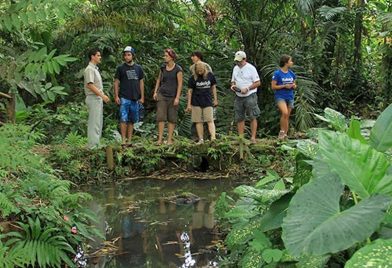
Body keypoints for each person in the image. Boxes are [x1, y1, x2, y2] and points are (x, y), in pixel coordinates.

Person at [114, 46, 145, 145]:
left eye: (129, 55)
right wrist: (116, 96)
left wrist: (142, 97)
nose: (127, 57)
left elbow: (141, 82)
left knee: (132, 120)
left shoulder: (138, 68)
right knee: (123, 119)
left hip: (135, 98)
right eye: (125, 55)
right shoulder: (120, 68)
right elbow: (116, 82)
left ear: (133, 55)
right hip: (124, 97)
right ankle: (123, 140)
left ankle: (130, 140)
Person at [153, 48, 183, 145]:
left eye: (166, 56)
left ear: (171, 57)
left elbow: (180, 84)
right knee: (160, 116)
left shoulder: (178, 69)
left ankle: (169, 139)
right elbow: (158, 80)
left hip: (173, 96)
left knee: (172, 117)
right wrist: (155, 92)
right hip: (162, 94)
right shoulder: (162, 68)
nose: (164, 57)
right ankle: (160, 139)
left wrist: (177, 97)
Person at [230, 51, 261, 144]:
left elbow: (258, 82)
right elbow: (233, 81)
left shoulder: (251, 68)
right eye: (237, 61)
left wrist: (247, 88)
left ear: (244, 59)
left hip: (250, 95)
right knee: (239, 117)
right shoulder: (235, 68)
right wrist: (233, 86)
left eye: (240, 61)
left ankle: (253, 137)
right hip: (238, 96)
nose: (238, 63)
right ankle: (241, 137)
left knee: (252, 116)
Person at [84, 48, 110, 148]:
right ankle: (92, 145)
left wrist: (102, 95)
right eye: (98, 55)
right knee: (94, 122)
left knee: (98, 121)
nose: (100, 57)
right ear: (92, 56)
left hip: (97, 98)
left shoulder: (95, 69)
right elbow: (90, 85)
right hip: (93, 97)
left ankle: (96, 143)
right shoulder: (89, 69)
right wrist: (102, 96)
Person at [186, 62, 218, 144]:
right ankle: (201, 139)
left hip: (207, 101)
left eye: (201, 71)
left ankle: (213, 138)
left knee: (210, 120)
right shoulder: (193, 78)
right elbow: (190, 91)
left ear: (204, 69)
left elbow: (213, 87)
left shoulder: (210, 75)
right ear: (195, 70)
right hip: (196, 102)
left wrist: (215, 99)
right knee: (198, 121)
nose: (199, 72)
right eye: (198, 71)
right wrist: (189, 104)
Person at [271, 55, 297, 140]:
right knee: (284, 113)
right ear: (286, 63)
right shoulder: (277, 73)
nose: (292, 62)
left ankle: (285, 134)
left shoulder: (291, 73)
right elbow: (273, 86)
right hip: (280, 96)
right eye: (290, 61)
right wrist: (284, 86)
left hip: (290, 96)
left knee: (287, 116)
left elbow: (294, 84)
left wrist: (293, 86)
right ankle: (282, 132)